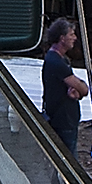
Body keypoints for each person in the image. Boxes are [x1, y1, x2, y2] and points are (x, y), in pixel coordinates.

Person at [37, 16, 87, 151]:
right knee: (69, 157)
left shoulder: (59, 59)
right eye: (71, 34)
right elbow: (84, 89)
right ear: (62, 38)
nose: (74, 38)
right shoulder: (57, 63)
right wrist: (80, 88)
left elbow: (78, 90)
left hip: (63, 117)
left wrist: (77, 92)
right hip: (63, 119)